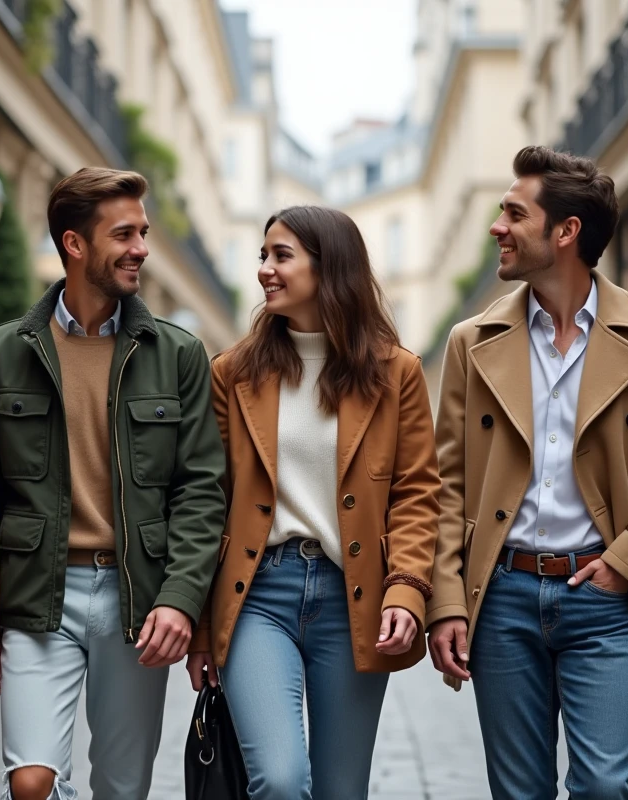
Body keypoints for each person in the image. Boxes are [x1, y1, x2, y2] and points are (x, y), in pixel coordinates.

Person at [426, 146, 628, 799]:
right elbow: (446, 485)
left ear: (566, 232)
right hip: (501, 599)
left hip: (605, 600)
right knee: (519, 791)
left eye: (513, 214)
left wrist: (626, 563)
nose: (497, 228)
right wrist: (446, 603)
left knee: (603, 787)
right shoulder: (470, 344)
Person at [0, 167, 227, 800]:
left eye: (142, 232)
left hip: (135, 599)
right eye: (124, 233)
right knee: (31, 781)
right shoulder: (2, 353)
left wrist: (180, 598)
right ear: (75, 244)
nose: (141, 246)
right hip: (37, 593)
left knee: (121, 787)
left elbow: (201, 489)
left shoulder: (178, 354)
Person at [186, 205, 442, 800]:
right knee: (278, 779)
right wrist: (202, 628)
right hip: (258, 594)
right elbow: (207, 500)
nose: (265, 271)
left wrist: (406, 590)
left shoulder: (395, 372)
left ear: (330, 269)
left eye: (282, 256)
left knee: (339, 790)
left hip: (353, 598)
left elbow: (416, 492)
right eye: (263, 256)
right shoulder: (233, 373)